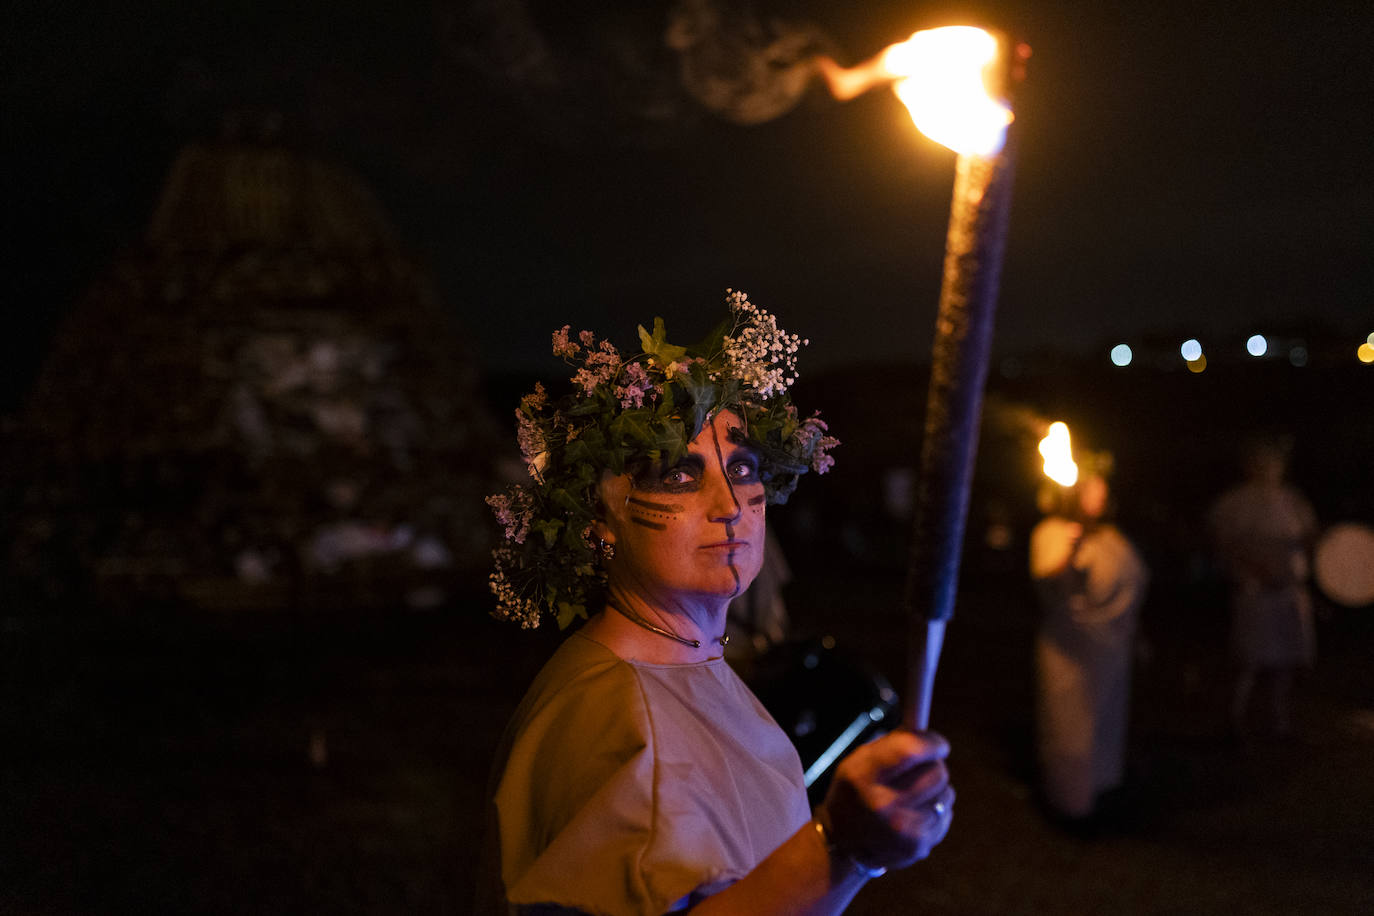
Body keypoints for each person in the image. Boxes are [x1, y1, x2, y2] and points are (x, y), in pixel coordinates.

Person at [476, 291, 955, 915]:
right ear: (599, 519)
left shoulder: (690, 666)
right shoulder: (618, 714)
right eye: (678, 474)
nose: (730, 507)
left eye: (745, 467)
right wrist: (843, 849)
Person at [1029, 459, 1148, 827]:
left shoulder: (1113, 539)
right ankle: (1069, 809)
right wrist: (1069, 550)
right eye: (1090, 487)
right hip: (1070, 652)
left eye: (1101, 488)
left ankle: (1103, 798)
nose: (1098, 494)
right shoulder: (1052, 531)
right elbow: (1047, 575)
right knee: (1070, 729)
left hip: (1111, 651)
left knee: (1105, 727)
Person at [1206, 436, 1317, 739]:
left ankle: (1279, 720)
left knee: (1286, 660)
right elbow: (1225, 544)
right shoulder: (1236, 503)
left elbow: (1308, 539)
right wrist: (1256, 569)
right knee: (1249, 659)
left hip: (1289, 592)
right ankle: (1234, 718)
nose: (1270, 468)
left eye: (1275, 462)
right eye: (1263, 462)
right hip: (1256, 591)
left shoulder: (1293, 501)